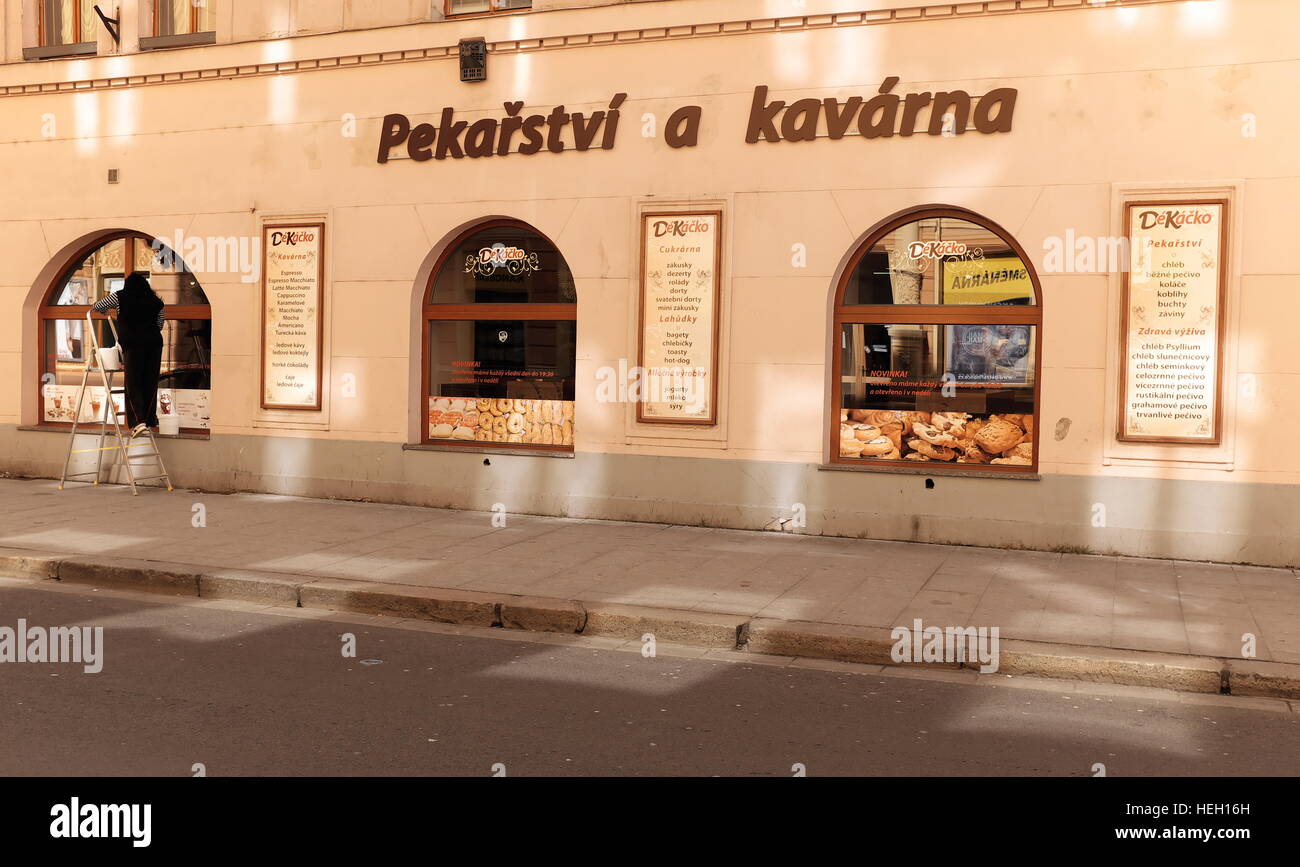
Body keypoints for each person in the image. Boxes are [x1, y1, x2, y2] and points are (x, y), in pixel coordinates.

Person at [91, 273, 165, 438]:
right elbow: (159, 324)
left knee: (133, 383)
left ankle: (138, 422)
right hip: (154, 344)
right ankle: (149, 420)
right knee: (150, 382)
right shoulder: (157, 302)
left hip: (133, 344)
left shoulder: (120, 297)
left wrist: (105, 311)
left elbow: (97, 305)